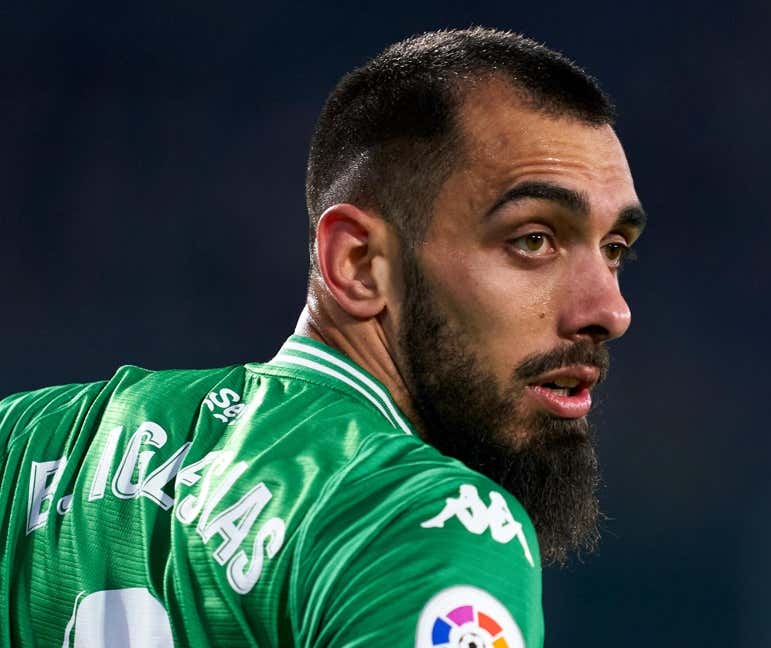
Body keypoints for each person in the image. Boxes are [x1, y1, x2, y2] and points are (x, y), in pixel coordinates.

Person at [0, 27, 645, 647]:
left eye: (614, 249)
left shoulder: (31, 443)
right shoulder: (426, 523)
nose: (609, 310)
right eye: (532, 240)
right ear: (359, 265)